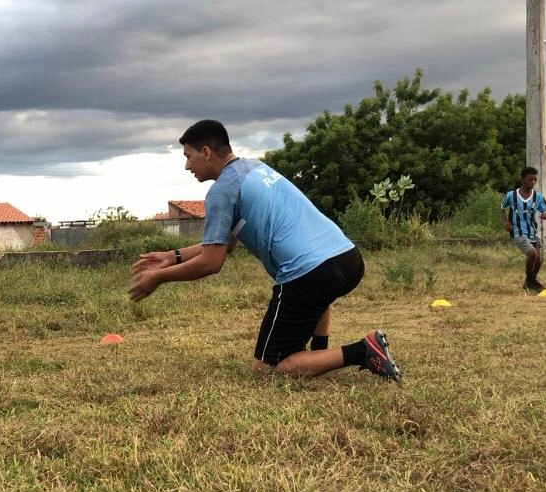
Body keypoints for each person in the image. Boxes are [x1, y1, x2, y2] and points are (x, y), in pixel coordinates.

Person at [129, 119, 401, 381]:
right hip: (347, 258)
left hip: (309, 274)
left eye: (189, 157)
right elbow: (225, 245)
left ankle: (363, 351)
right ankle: (319, 356)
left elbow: (211, 262)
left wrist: (159, 277)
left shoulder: (222, 191)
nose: (188, 166)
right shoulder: (254, 168)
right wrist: (171, 256)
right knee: (315, 298)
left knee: (269, 369)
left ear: (207, 152)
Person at [500, 167, 546, 293]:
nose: (533, 182)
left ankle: (529, 281)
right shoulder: (511, 195)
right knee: (532, 253)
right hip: (517, 232)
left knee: (539, 260)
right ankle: (531, 281)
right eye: (530, 179)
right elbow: (501, 207)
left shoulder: (537, 197)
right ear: (522, 180)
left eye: (535, 180)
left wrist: (545, 215)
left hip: (532, 232)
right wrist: (505, 221)